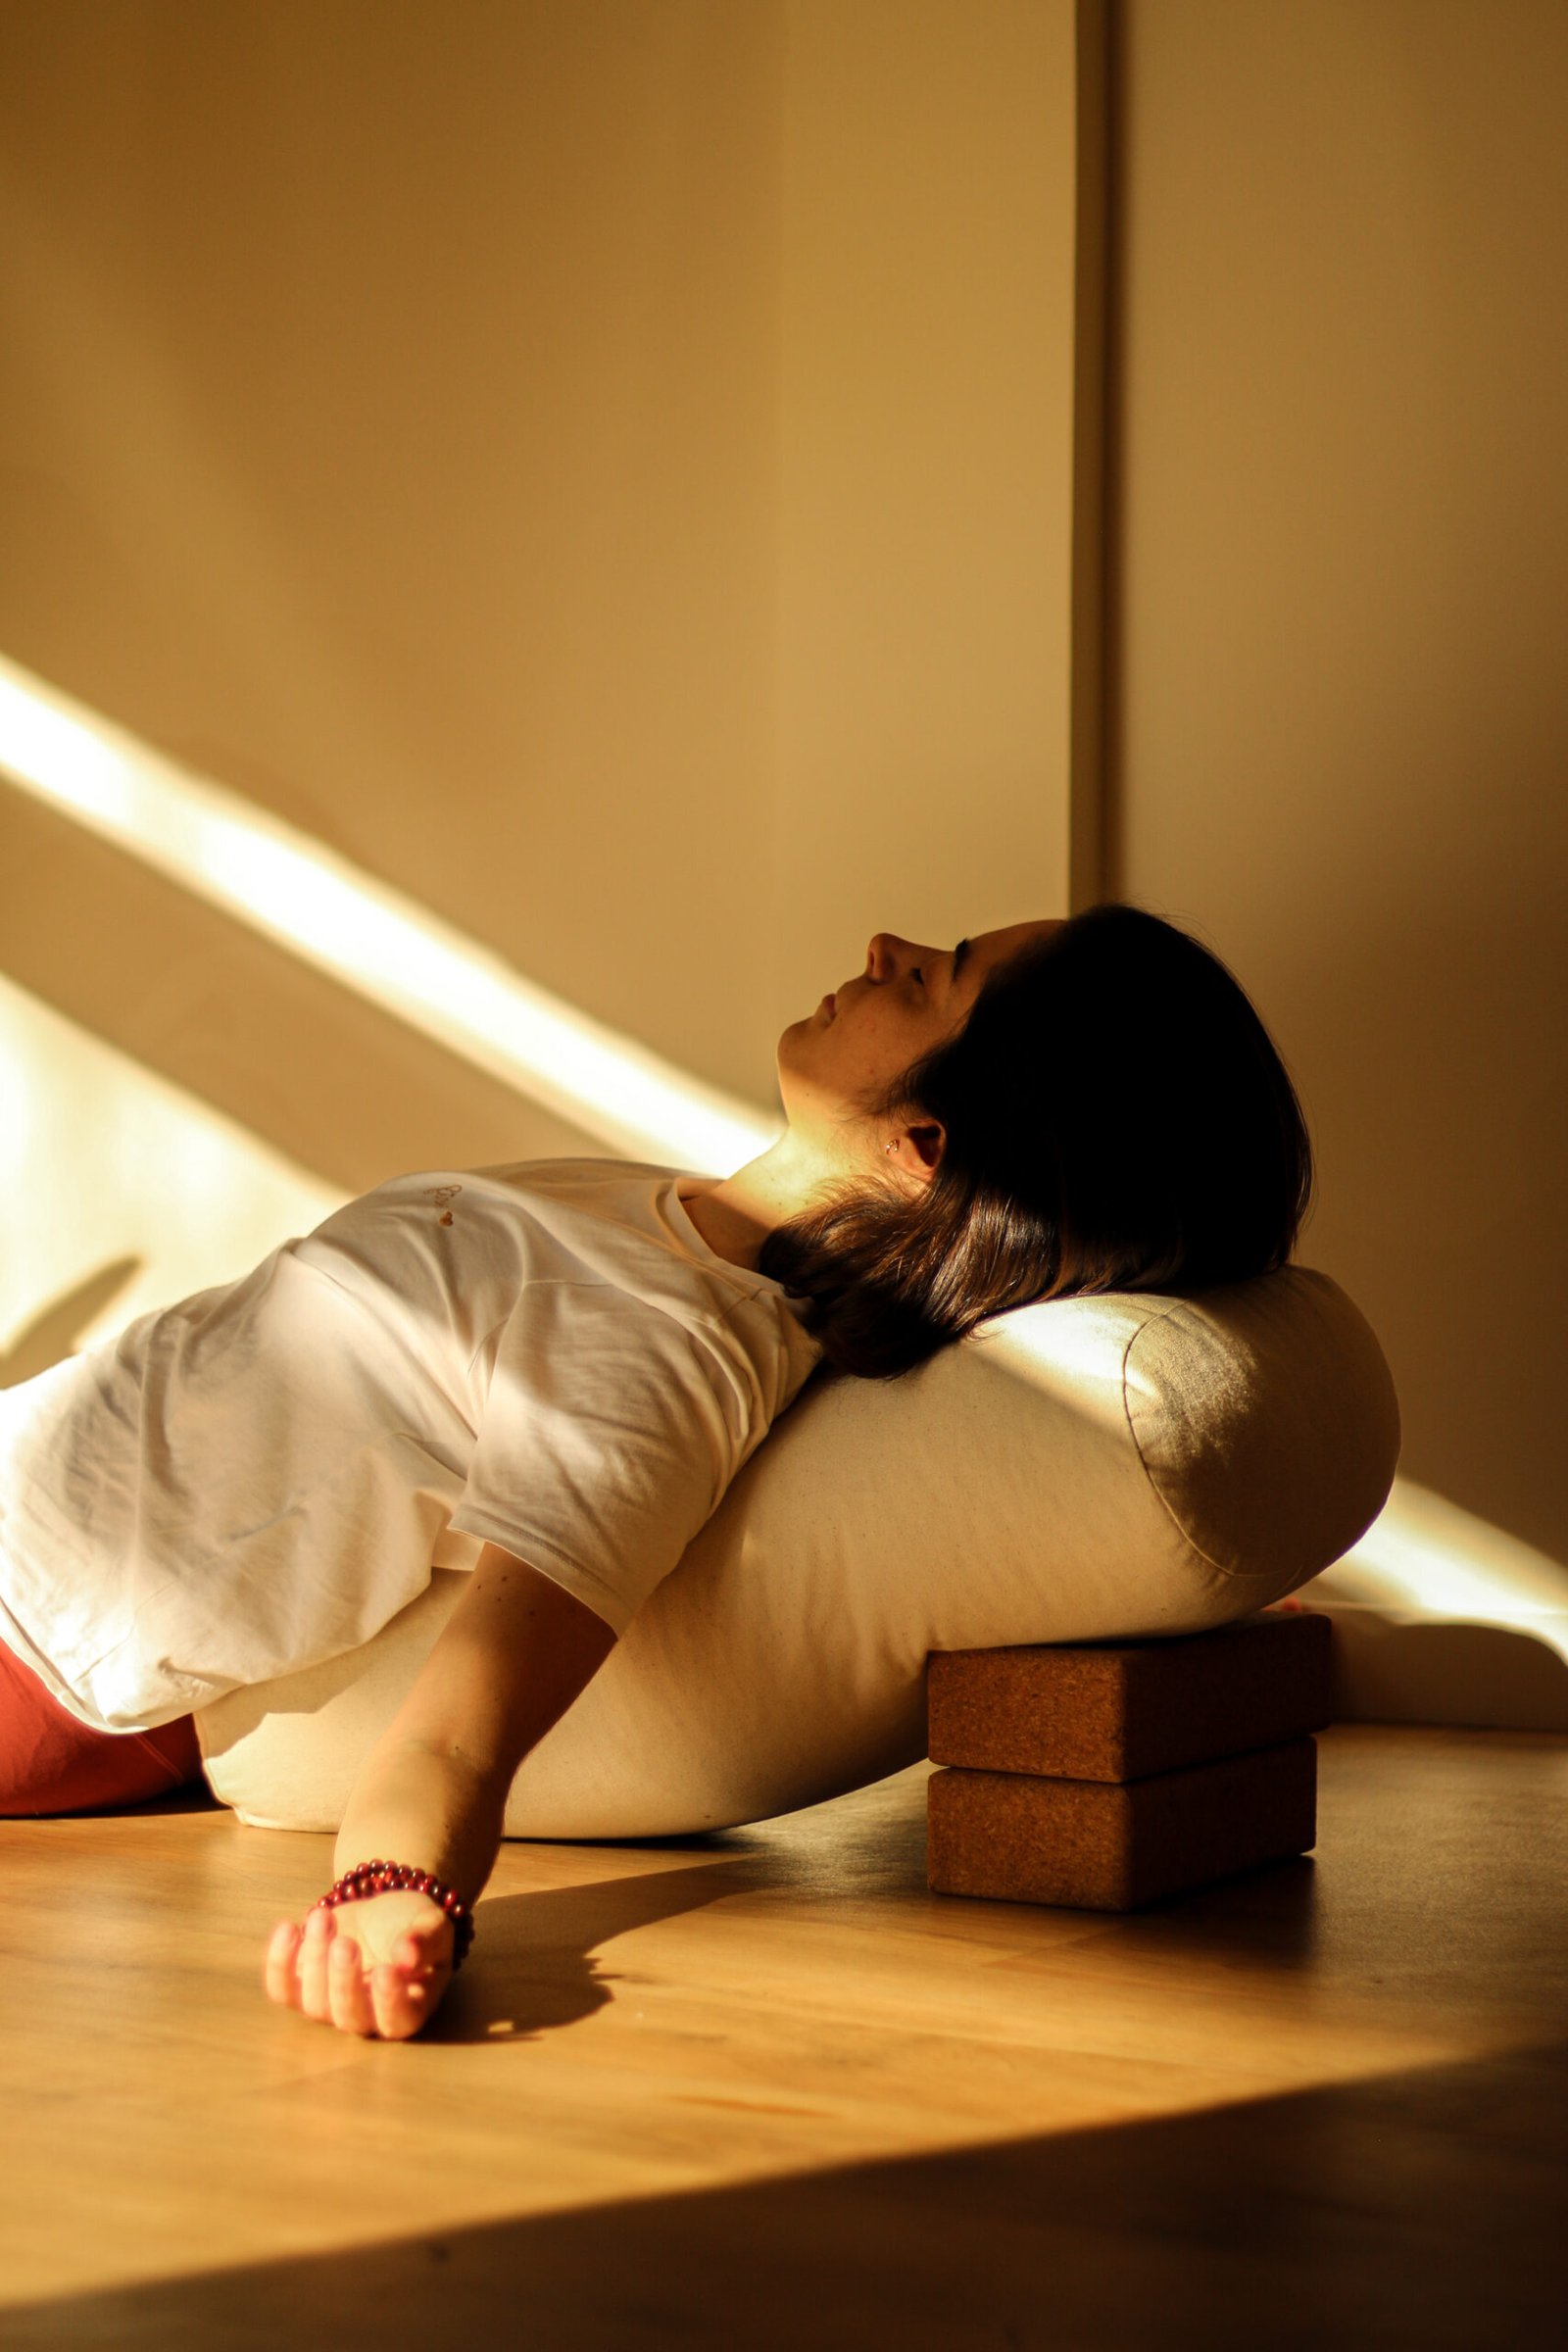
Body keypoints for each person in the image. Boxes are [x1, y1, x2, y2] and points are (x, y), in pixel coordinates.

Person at [0, 905, 1312, 2040]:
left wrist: (396, 1892)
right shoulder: (660, 1217)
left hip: (34, 1639)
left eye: (932, 978)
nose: (884, 946)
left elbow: (464, 1724)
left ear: (929, 1142)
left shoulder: (664, 1354)